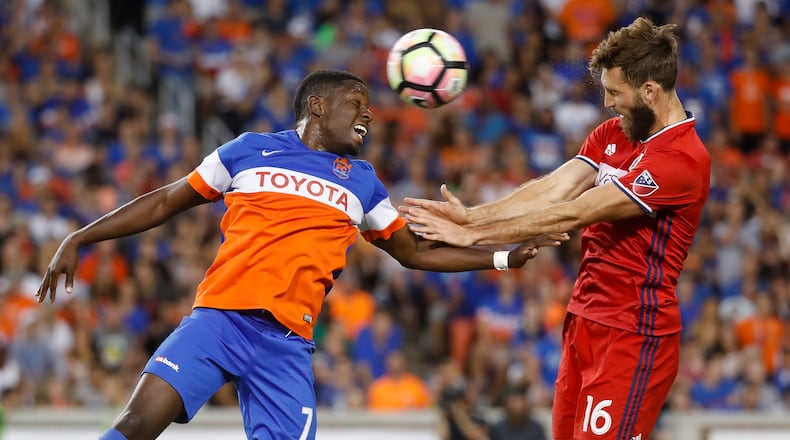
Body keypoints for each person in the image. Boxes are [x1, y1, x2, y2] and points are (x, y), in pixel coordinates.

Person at [35, 70, 567, 440]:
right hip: (219, 320)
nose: (367, 117)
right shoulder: (245, 150)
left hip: (287, 346)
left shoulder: (361, 183)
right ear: (318, 105)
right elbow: (165, 201)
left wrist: (503, 258)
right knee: (135, 425)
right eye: (357, 105)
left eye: (370, 111)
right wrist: (80, 237)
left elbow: (414, 253)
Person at [400, 18, 711, 440]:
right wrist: (471, 216)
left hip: (633, 334)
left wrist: (476, 236)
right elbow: (554, 188)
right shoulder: (615, 134)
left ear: (650, 92)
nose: (606, 103)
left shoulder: (681, 160)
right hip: (584, 319)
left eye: (615, 92)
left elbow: (574, 212)